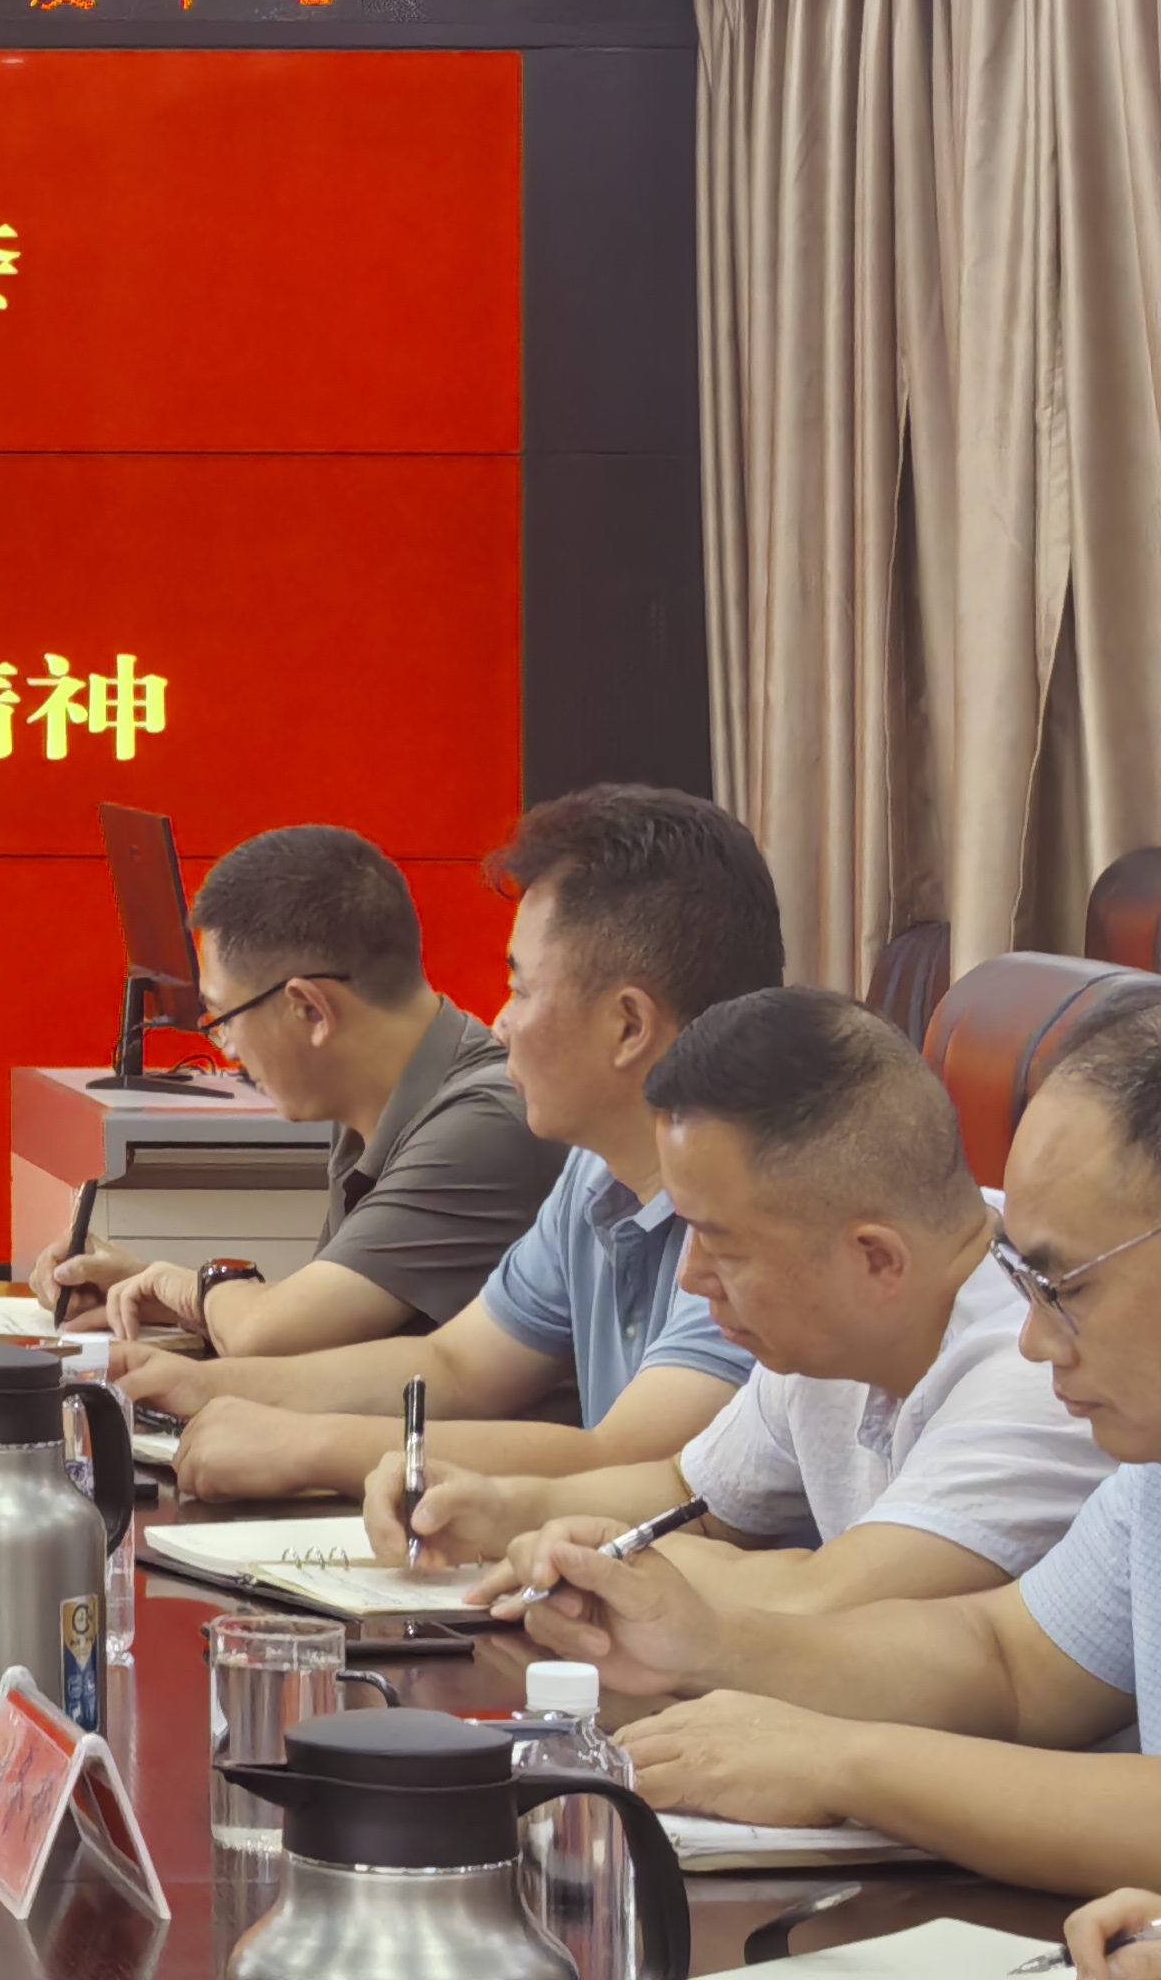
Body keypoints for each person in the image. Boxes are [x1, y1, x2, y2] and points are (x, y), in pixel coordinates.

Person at [509, 1002, 1161, 1897]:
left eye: (1063, 1287)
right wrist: (708, 1646)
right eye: (1026, 1281)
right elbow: (1007, 1660)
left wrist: (840, 1762)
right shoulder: (1147, 1478)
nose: (1034, 1339)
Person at [120, 784, 785, 1499]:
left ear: (629, 1026)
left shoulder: (768, 1206)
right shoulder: (595, 1174)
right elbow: (457, 1365)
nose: (501, 1023)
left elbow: (636, 1461)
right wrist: (203, 1386)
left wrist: (311, 1445)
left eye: (521, 990)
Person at [374, 984, 1105, 1607]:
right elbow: (695, 1498)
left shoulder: (1041, 1368)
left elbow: (829, 1602)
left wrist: (577, 1551)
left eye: (719, 1242)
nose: (689, 1277)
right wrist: (500, 1506)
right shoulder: (840, 1323)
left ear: (877, 1259)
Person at [33, 823, 559, 1355]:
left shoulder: (482, 1125)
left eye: (224, 1018)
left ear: (309, 1009)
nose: (227, 1050)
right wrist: (155, 1291)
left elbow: (269, 1336)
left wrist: (190, 1288)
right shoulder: (367, 1107)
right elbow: (320, 1327)